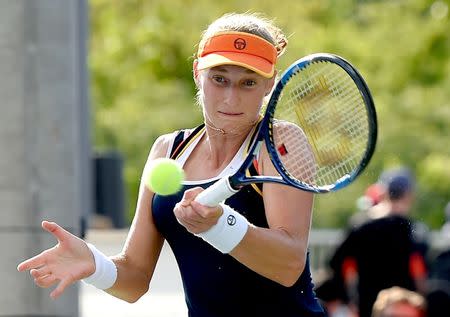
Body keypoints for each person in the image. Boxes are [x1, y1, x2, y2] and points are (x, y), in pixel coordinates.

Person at [17, 12, 326, 317]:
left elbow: (289, 265)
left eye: (248, 82)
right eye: (219, 79)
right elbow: (134, 279)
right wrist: (93, 264)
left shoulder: (280, 143)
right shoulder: (168, 149)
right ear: (197, 73)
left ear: (269, 84)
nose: (231, 98)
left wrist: (218, 225)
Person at [324, 167, 428, 317]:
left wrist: (347, 299)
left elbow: (337, 263)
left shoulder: (360, 224)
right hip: (402, 309)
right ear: (408, 195)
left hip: (367, 305)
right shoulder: (413, 229)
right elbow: (420, 273)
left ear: (382, 192)